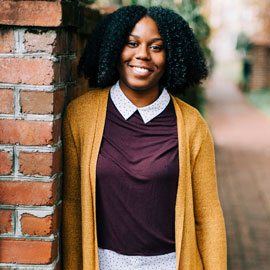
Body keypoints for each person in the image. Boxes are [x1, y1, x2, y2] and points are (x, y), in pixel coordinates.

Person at [62, 5, 227, 270]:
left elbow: (208, 215)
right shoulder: (80, 116)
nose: (142, 55)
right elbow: (71, 208)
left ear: (171, 55)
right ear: (115, 47)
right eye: (132, 43)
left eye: (156, 47)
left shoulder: (193, 125)